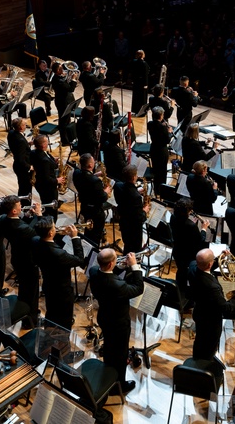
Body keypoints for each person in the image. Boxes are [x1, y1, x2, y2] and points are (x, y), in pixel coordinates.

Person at [88, 248, 144, 394]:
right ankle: (118, 385)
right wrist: (134, 266)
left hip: (105, 317)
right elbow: (138, 288)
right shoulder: (117, 286)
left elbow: (109, 274)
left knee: (110, 348)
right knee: (120, 354)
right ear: (111, 263)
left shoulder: (94, 271)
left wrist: (120, 266)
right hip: (118, 323)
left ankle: (107, 374)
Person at [0, 195, 46, 328]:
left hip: (17, 258)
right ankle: (30, 320)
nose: (21, 206)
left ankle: (28, 312)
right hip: (28, 261)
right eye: (19, 206)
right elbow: (38, 232)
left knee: (25, 288)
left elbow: (22, 226)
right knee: (32, 290)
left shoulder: (4, 219)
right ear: (14, 211)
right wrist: (39, 215)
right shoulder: (22, 229)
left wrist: (26, 216)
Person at [187, 248, 235, 361]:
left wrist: (220, 256)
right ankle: (204, 368)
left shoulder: (192, 267)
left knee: (199, 342)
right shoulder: (212, 287)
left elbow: (205, 267)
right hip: (211, 322)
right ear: (210, 264)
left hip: (199, 313)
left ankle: (197, 360)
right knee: (209, 348)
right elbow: (226, 308)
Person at [34, 217, 85, 329]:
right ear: (51, 232)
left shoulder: (36, 241)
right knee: (64, 323)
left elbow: (51, 243)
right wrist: (75, 237)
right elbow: (80, 260)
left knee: (51, 314)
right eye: (54, 227)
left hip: (48, 285)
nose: (56, 228)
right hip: (62, 292)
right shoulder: (59, 254)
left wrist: (62, 235)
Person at [170, 200, 210, 304]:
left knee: (181, 270)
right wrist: (204, 229)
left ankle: (179, 290)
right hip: (189, 254)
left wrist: (192, 222)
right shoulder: (191, 226)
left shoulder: (173, 217)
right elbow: (200, 241)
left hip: (178, 251)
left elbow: (183, 229)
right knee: (187, 273)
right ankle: (186, 297)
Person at [72, 154, 110, 245]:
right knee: (95, 235)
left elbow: (86, 179)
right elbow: (103, 198)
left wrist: (94, 175)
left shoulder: (76, 173)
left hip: (85, 207)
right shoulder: (95, 181)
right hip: (95, 211)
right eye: (93, 162)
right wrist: (106, 191)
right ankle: (93, 253)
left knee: (88, 231)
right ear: (90, 165)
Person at [114, 164, 149, 253]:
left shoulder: (118, 186)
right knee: (134, 250)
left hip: (124, 222)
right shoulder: (136, 197)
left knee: (127, 245)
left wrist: (136, 190)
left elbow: (126, 194)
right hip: (134, 228)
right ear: (134, 177)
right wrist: (145, 210)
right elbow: (139, 218)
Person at [31, 134, 64, 212]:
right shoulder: (44, 160)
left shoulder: (33, 152)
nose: (48, 143)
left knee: (46, 203)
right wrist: (57, 181)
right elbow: (46, 179)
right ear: (43, 145)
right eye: (47, 142)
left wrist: (52, 161)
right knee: (50, 207)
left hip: (39, 183)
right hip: (47, 188)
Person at [51, 61, 78, 146]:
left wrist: (69, 80)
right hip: (62, 102)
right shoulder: (57, 80)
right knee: (63, 122)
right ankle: (64, 141)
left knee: (67, 120)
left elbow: (67, 86)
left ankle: (68, 137)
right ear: (57, 70)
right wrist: (73, 79)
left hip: (66, 101)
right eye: (61, 68)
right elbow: (70, 89)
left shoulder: (60, 78)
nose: (63, 68)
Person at [147, 106, 172, 190]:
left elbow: (156, 128)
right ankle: (161, 189)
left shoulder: (149, 124)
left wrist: (163, 126)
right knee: (162, 171)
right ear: (161, 115)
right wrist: (169, 132)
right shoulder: (163, 128)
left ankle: (156, 187)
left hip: (153, 149)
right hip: (162, 151)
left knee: (156, 169)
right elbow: (167, 140)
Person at [7, 117, 33, 197]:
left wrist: (27, 144)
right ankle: (25, 207)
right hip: (22, 168)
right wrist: (29, 167)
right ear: (21, 127)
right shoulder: (20, 141)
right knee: (25, 190)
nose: (26, 126)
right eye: (25, 124)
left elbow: (16, 146)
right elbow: (20, 159)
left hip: (17, 166)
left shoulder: (11, 133)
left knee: (22, 188)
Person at [129, 50, 150, 114]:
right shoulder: (144, 63)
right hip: (142, 83)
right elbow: (145, 74)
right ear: (142, 55)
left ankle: (135, 109)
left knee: (135, 96)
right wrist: (146, 84)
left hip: (136, 82)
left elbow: (132, 72)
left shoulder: (134, 62)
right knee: (142, 97)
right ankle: (142, 111)